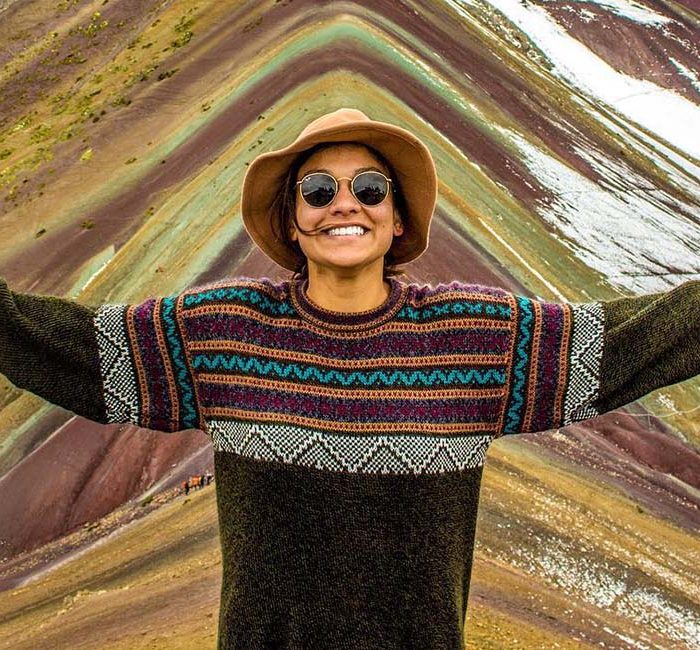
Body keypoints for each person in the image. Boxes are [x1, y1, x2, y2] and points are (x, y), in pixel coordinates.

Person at [0, 106, 698, 650]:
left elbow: (635, 341)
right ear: (293, 223)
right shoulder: (220, 331)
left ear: (397, 220)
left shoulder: (475, 338)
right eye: (317, 190)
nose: (345, 204)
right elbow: (72, 350)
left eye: (369, 188)